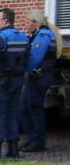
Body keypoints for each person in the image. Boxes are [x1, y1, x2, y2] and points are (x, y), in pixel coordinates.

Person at [0, 8, 29, 158]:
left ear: (5, 21)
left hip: (2, 81)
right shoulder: (22, 36)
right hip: (17, 80)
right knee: (12, 113)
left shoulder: (1, 37)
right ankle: (13, 149)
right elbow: (27, 57)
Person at [20, 9, 61, 153]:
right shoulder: (40, 34)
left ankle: (37, 141)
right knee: (26, 107)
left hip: (39, 77)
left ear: (35, 22)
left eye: (27, 22)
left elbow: (35, 58)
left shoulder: (43, 35)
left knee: (33, 109)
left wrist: (21, 69)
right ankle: (33, 139)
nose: (25, 25)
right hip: (38, 77)